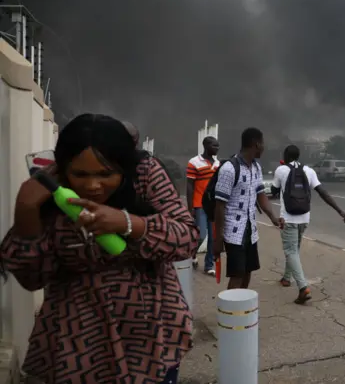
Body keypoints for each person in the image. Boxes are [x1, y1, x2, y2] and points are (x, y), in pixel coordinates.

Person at [0, 113, 199, 383]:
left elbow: (187, 238)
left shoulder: (145, 175)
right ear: (63, 168)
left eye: (106, 174)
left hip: (151, 338)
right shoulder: (49, 190)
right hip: (79, 343)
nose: (93, 186)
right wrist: (26, 211)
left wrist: (130, 223)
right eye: (80, 174)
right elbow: (31, 278)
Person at [272, 145, 345, 304]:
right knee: (294, 250)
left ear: (285, 156)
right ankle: (286, 278)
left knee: (290, 251)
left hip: (288, 218)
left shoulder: (281, 170)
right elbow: (323, 192)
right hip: (304, 218)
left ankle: (303, 287)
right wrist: (340, 211)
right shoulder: (309, 171)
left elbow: (274, 191)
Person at [213, 127, 282, 289]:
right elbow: (220, 205)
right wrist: (218, 239)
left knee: (248, 272)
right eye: (263, 143)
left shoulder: (256, 168)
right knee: (237, 276)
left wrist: (273, 217)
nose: (264, 147)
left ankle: (241, 312)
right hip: (233, 233)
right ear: (256, 144)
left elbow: (261, 195)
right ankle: (230, 312)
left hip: (250, 231)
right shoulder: (229, 169)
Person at [186, 136, 220, 274]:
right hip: (199, 204)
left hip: (213, 206)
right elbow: (189, 186)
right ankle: (192, 255)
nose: (217, 148)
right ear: (206, 146)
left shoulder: (218, 164)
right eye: (214, 146)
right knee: (200, 235)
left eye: (218, 146)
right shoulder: (194, 162)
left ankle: (209, 265)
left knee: (213, 237)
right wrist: (190, 208)